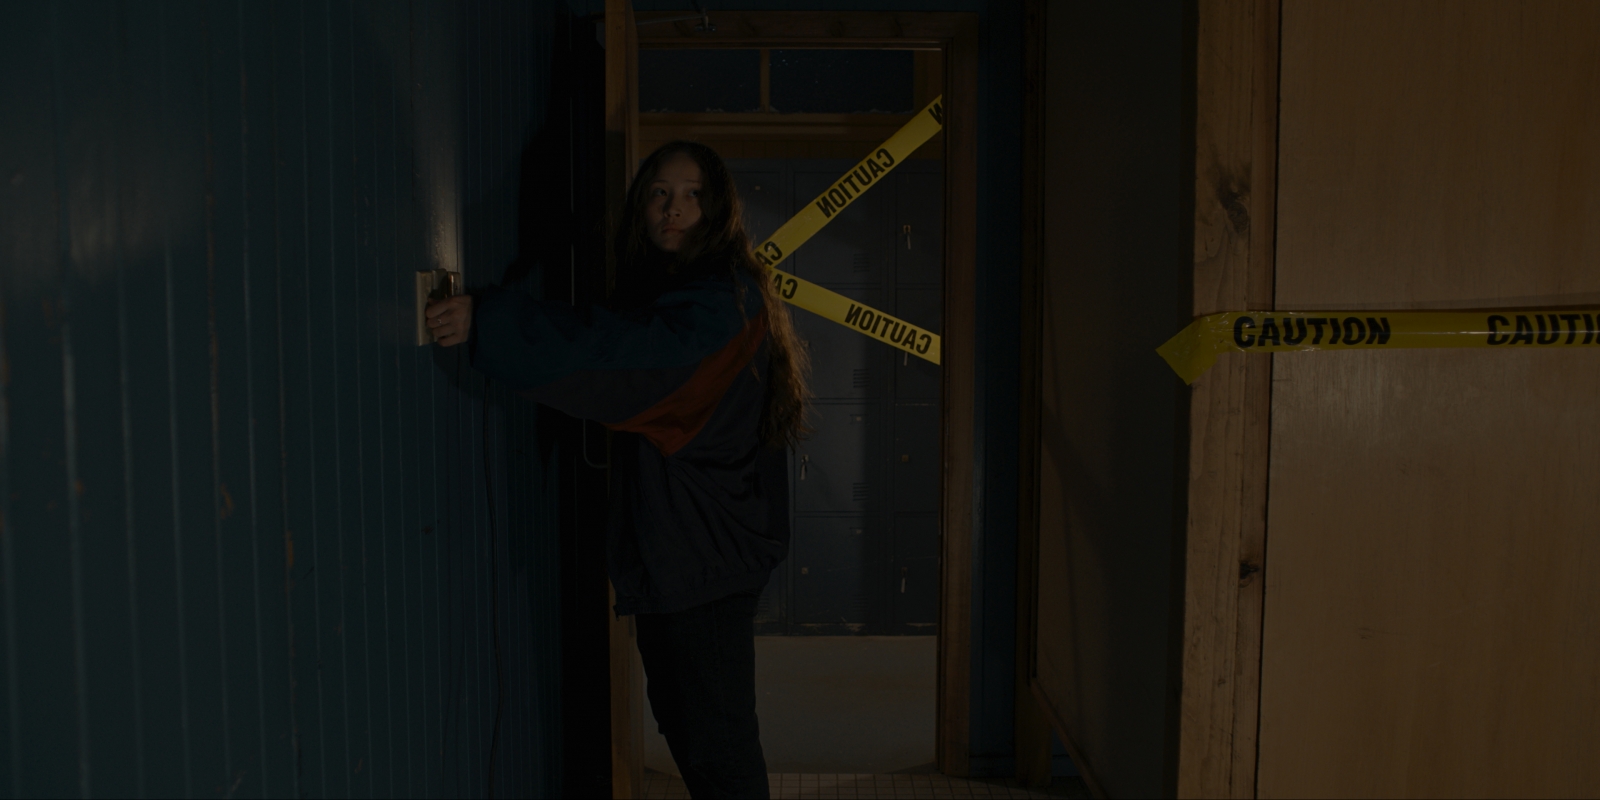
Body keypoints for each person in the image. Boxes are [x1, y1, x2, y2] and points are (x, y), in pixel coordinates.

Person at [425, 140, 810, 800]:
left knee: (718, 751)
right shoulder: (693, 293)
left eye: (692, 195)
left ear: (718, 210)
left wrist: (491, 322)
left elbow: (621, 355)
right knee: (696, 737)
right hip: (689, 557)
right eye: (660, 193)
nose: (673, 209)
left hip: (703, 561)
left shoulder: (717, 307)